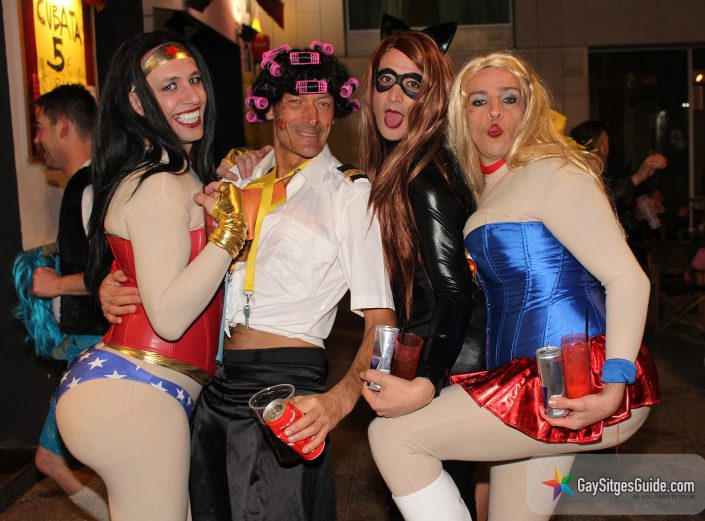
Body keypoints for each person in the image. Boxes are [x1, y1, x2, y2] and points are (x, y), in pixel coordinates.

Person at [99, 41, 395, 520]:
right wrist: (113, 283)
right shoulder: (239, 179)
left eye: (324, 103)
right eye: (296, 101)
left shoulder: (350, 194)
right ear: (270, 108)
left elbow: (383, 322)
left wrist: (339, 402)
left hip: (287, 387)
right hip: (215, 387)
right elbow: (169, 262)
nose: (312, 118)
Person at [363, 51, 661, 520]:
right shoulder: (494, 186)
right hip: (523, 384)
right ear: (461, 115)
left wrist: (613, 385)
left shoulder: (554, 170)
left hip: (575, 381)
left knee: (394, 436)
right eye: (479, 101)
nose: (495, 113)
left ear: (531, 107)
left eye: (509, 98)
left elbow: (627, 278)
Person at [54, 32, 247, 521]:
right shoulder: (161, 184)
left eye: (194, 79)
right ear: (137, 102)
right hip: (138, 392)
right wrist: (229, 236)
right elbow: (169, 317)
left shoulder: (171, 172)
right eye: (169, 86)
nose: (191, 96)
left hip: (140, 387)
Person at [356, 14, 487, 519]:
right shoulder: (400, 168)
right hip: (432, 357)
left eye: (413, 85)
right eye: (386, 80)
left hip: (447, 365)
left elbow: (455, 291)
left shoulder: (425, 175)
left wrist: (426, 381)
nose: (395, 96)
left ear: (432, 97)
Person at [25, 83, 110, 521]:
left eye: (40, 127)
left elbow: (110, 275)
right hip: (88, 345)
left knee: (53, 458)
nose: (37, 138)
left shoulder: (90, 188)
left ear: (63, 127)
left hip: (94, 346)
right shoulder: (89, 185)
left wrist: (54, 283)